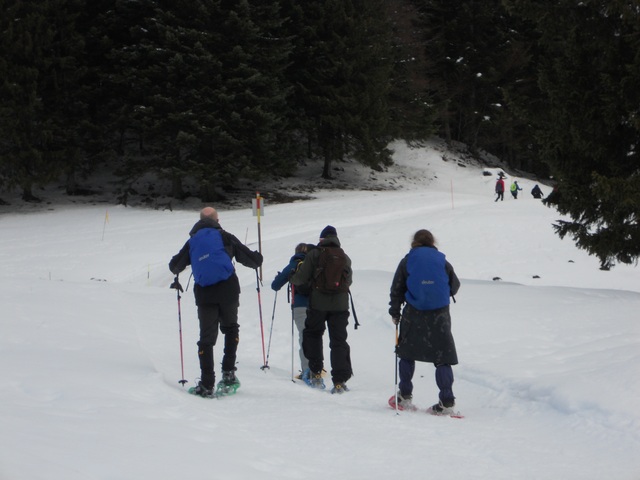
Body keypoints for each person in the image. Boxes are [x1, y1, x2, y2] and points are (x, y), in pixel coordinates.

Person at [169, 207, 263, 397]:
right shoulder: (224, 236)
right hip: (228, 290)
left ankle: (206, 384)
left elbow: (175, 266)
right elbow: (252, 260)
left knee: (206, 338)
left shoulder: (192, 241)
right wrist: (257, 258)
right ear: (217, 220)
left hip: (205, 295)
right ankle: (228, 374)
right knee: (230, 329)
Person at [388, 229, 461, 414]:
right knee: (443, 357)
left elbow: (396, 289)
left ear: (414, 242)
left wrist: (395, 312)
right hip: (440, 314)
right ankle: (447, 402)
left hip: (414, 313)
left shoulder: (408, 261)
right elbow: (455, 285)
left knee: (407, 353)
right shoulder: (442, 261)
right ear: (432, 241)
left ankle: (404, 396)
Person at [291, 225, 353, 394]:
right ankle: (339, 381)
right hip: (340, 306)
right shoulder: (344, 257)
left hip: (318, 304)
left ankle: (316, 373)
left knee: (314, 336)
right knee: (338, 341)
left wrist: (294, 277)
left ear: (322, 239)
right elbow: (349, 281)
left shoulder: (314, 254)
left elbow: (300, 278)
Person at [271, 243, 313, 380]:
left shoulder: (294, 264)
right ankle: (316, 366)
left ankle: (307, 370)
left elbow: (275, 286)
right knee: (314, 336)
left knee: (304, 336)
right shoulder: (313, 264)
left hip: (299, 306)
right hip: (316, 305)